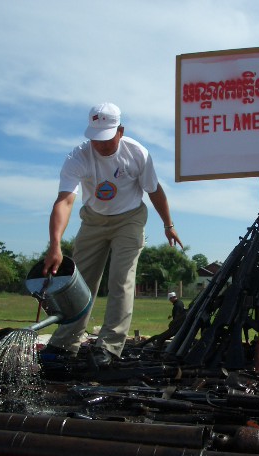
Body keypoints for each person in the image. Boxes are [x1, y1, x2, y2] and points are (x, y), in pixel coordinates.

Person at [42, 102, 183, 368]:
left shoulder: (137, 153)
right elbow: (65, 201)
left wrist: (168, 224)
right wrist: (55, 245)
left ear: (120, 130)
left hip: (130, 218)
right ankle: (65, 342)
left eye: (106, 138)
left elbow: (154, 190)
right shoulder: (78, 157)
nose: (101, 145)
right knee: (79, 282)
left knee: (121, 279)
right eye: (95, 139)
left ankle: (109, 344)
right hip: (93, 220)